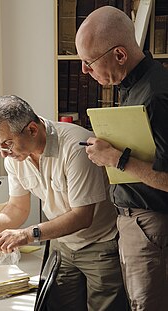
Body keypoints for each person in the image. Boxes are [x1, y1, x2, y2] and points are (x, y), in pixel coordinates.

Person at [0, 95, 128, 311]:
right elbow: (17, 208)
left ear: (31, 129)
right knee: (57, 306)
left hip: (100, 243)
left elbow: (82, 216)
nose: (3, 154)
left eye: (7, 144)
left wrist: (27, 234)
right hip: (61, 244)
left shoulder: (77, 147)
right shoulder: (15, 157)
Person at [75, 5, 168, 311]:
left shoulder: (155, 95)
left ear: (119, 55)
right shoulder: (131, 85)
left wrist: (116, 158)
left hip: (150, 225)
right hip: (134, 224)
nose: (85, 72)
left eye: (89, 62)